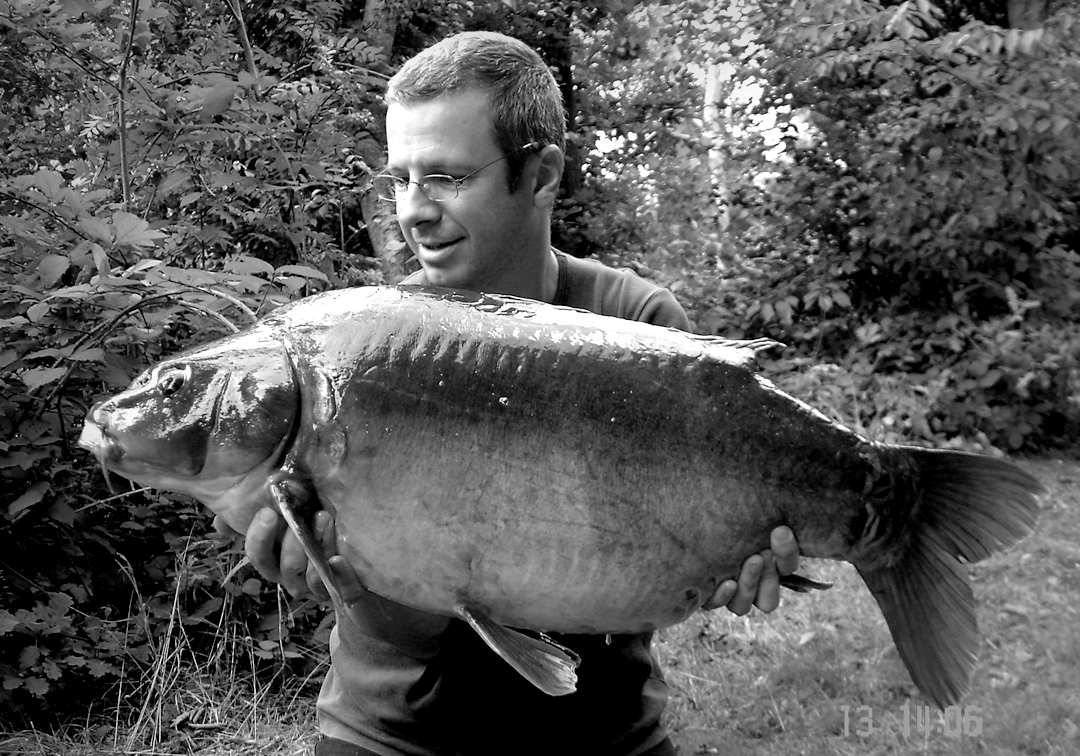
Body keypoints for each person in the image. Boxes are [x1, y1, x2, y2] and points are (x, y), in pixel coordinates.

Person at [234, 31, 801, 756]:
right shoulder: (371, 345)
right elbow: (403, 634)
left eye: (446, 177)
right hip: (393, 732)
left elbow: (664, 561)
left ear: (541, 175)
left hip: (605, 734)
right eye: (401, 179)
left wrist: (723, 558)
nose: (413, 211)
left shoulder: (637, 324)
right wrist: (347, 578)